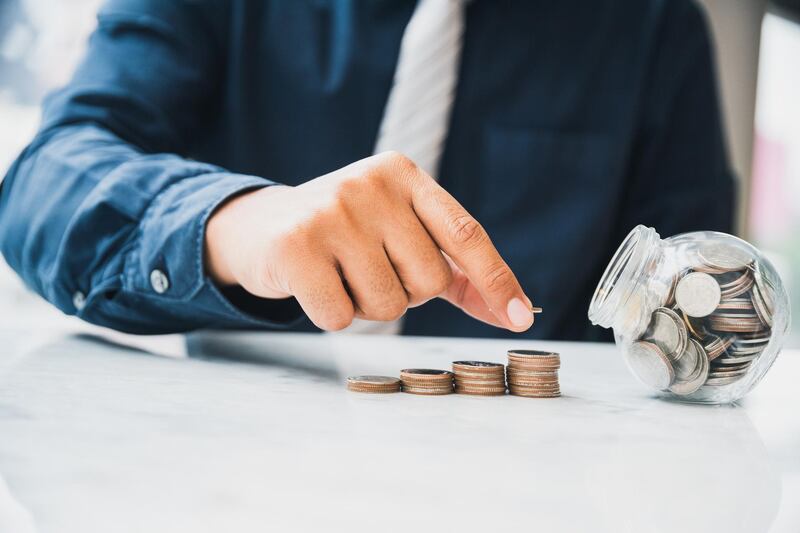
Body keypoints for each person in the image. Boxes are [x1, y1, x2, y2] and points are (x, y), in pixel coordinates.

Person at [0, 0, 734, 340]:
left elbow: (699, 318)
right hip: (228, 485)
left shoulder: (653, 28)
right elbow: (39, 187)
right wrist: (237, 224)